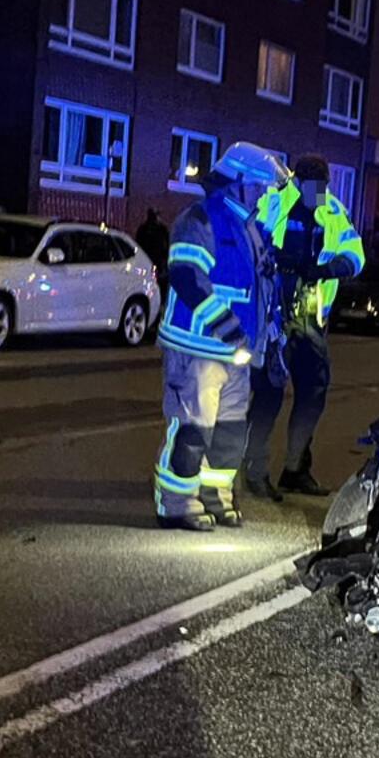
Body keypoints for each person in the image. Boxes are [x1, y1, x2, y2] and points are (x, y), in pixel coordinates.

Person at [151, 143, 289, 531]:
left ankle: (215, 496)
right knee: (194, 428)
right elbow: (187, 276)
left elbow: (262, 289)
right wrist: (229, 330)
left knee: (228, 433)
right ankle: (176, 502)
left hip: (236, 352)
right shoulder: (201, 218)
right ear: (239, 183)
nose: (265, 196)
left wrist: (270, 338)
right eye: (261, 188)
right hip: (199, 349)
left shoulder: (250, 227)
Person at [244, 153, 366, 500]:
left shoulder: (332, 210)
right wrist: (277, 261)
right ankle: (254, 470)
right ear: (297, 180)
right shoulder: (273, 201)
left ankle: (296, 469)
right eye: (312, 186)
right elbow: (252, 244)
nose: (317, 193)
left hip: (310, 318)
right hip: (272, 316)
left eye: (322, 187)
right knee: (268, 394)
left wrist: (330, 269)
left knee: (313, 392)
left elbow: (356, 254)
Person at [134, 207, 170, 294]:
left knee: (160, 282)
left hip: (157, 261)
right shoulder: (144, 229)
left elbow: (167, 244)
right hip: (149, 260)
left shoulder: (161, 229)